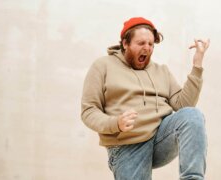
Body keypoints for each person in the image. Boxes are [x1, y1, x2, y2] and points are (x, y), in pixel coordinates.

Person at [81, 17, 210, 180]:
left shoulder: (161, 71)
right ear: (125, 43)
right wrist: (115, 123)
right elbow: (88, 111)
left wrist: (197, 65)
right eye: (141, 43)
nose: (147, 48)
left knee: (192, 115)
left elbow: (184, 105)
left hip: (160, 138)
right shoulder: (102, 66)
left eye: (151, 44)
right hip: (126, 146)